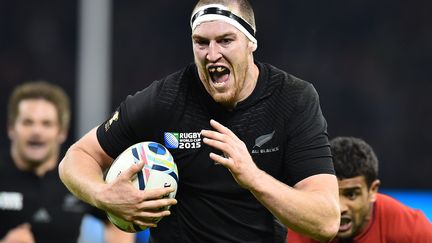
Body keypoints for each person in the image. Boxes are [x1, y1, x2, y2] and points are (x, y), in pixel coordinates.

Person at [58, 0, 340, 242]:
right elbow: (77, 157)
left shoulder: (292, 99)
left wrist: (253, 177)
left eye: (225, 40)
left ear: (251, 42)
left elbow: (326, 221)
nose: (212, 54)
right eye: (201, 42)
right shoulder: (165, 100)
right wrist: (102, 194)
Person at [0, 81, 134, 243]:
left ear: (62, 132)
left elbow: (117, 215)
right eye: (28, 122)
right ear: (11, 128)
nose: (36, 131)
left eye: (46, 124)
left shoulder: (77, 174)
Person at [287, 136, 432, 242]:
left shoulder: (412, 230)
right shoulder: (296, 229)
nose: (340, 207)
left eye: (351, 195)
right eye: (332, 193)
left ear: (373, 191)